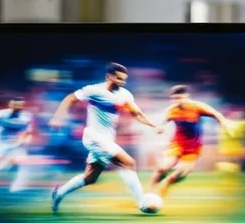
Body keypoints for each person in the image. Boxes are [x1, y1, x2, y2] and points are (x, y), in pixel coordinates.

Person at [48, 63, 163, 212]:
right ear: (109, 76)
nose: (122, 82)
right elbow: (70, 98)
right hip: (93, 136)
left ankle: (59, 193)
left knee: (90, 178)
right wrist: (57, 117)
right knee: (128, 163)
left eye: (124, 79)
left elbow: (137, 114)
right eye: (119, 78)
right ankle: (142, 202)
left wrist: (154, 126)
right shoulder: (94, 90)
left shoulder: (125, 94)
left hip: (107, 140)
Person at [150, 85, 236, 198]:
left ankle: (166, 184)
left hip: (193, 147)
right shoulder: (171, 110)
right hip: (177, 144)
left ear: (186, 96)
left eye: (180, 98)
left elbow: (217, 114)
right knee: (163, 168)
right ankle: (150, 193)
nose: (178, 101)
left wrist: (225, 126)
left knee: (180, 173)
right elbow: (162, 121)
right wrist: (159, 127)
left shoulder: (197, 107)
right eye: (175, 99)